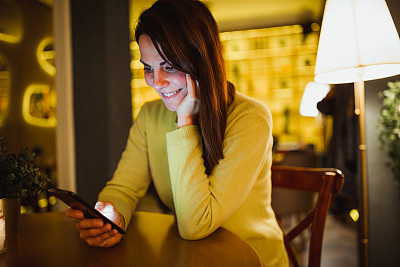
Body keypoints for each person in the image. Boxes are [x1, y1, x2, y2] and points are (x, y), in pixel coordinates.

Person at [66, 0, 288, 266]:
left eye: (169, 66)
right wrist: (112, 216)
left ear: (202, 62)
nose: (156, 82)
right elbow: (124, 187)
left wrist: (185, 122)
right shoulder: (150, 116)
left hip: (250, 258)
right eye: (148, 68)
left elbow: (196, 224)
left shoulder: (250, 118)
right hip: (186, 257)